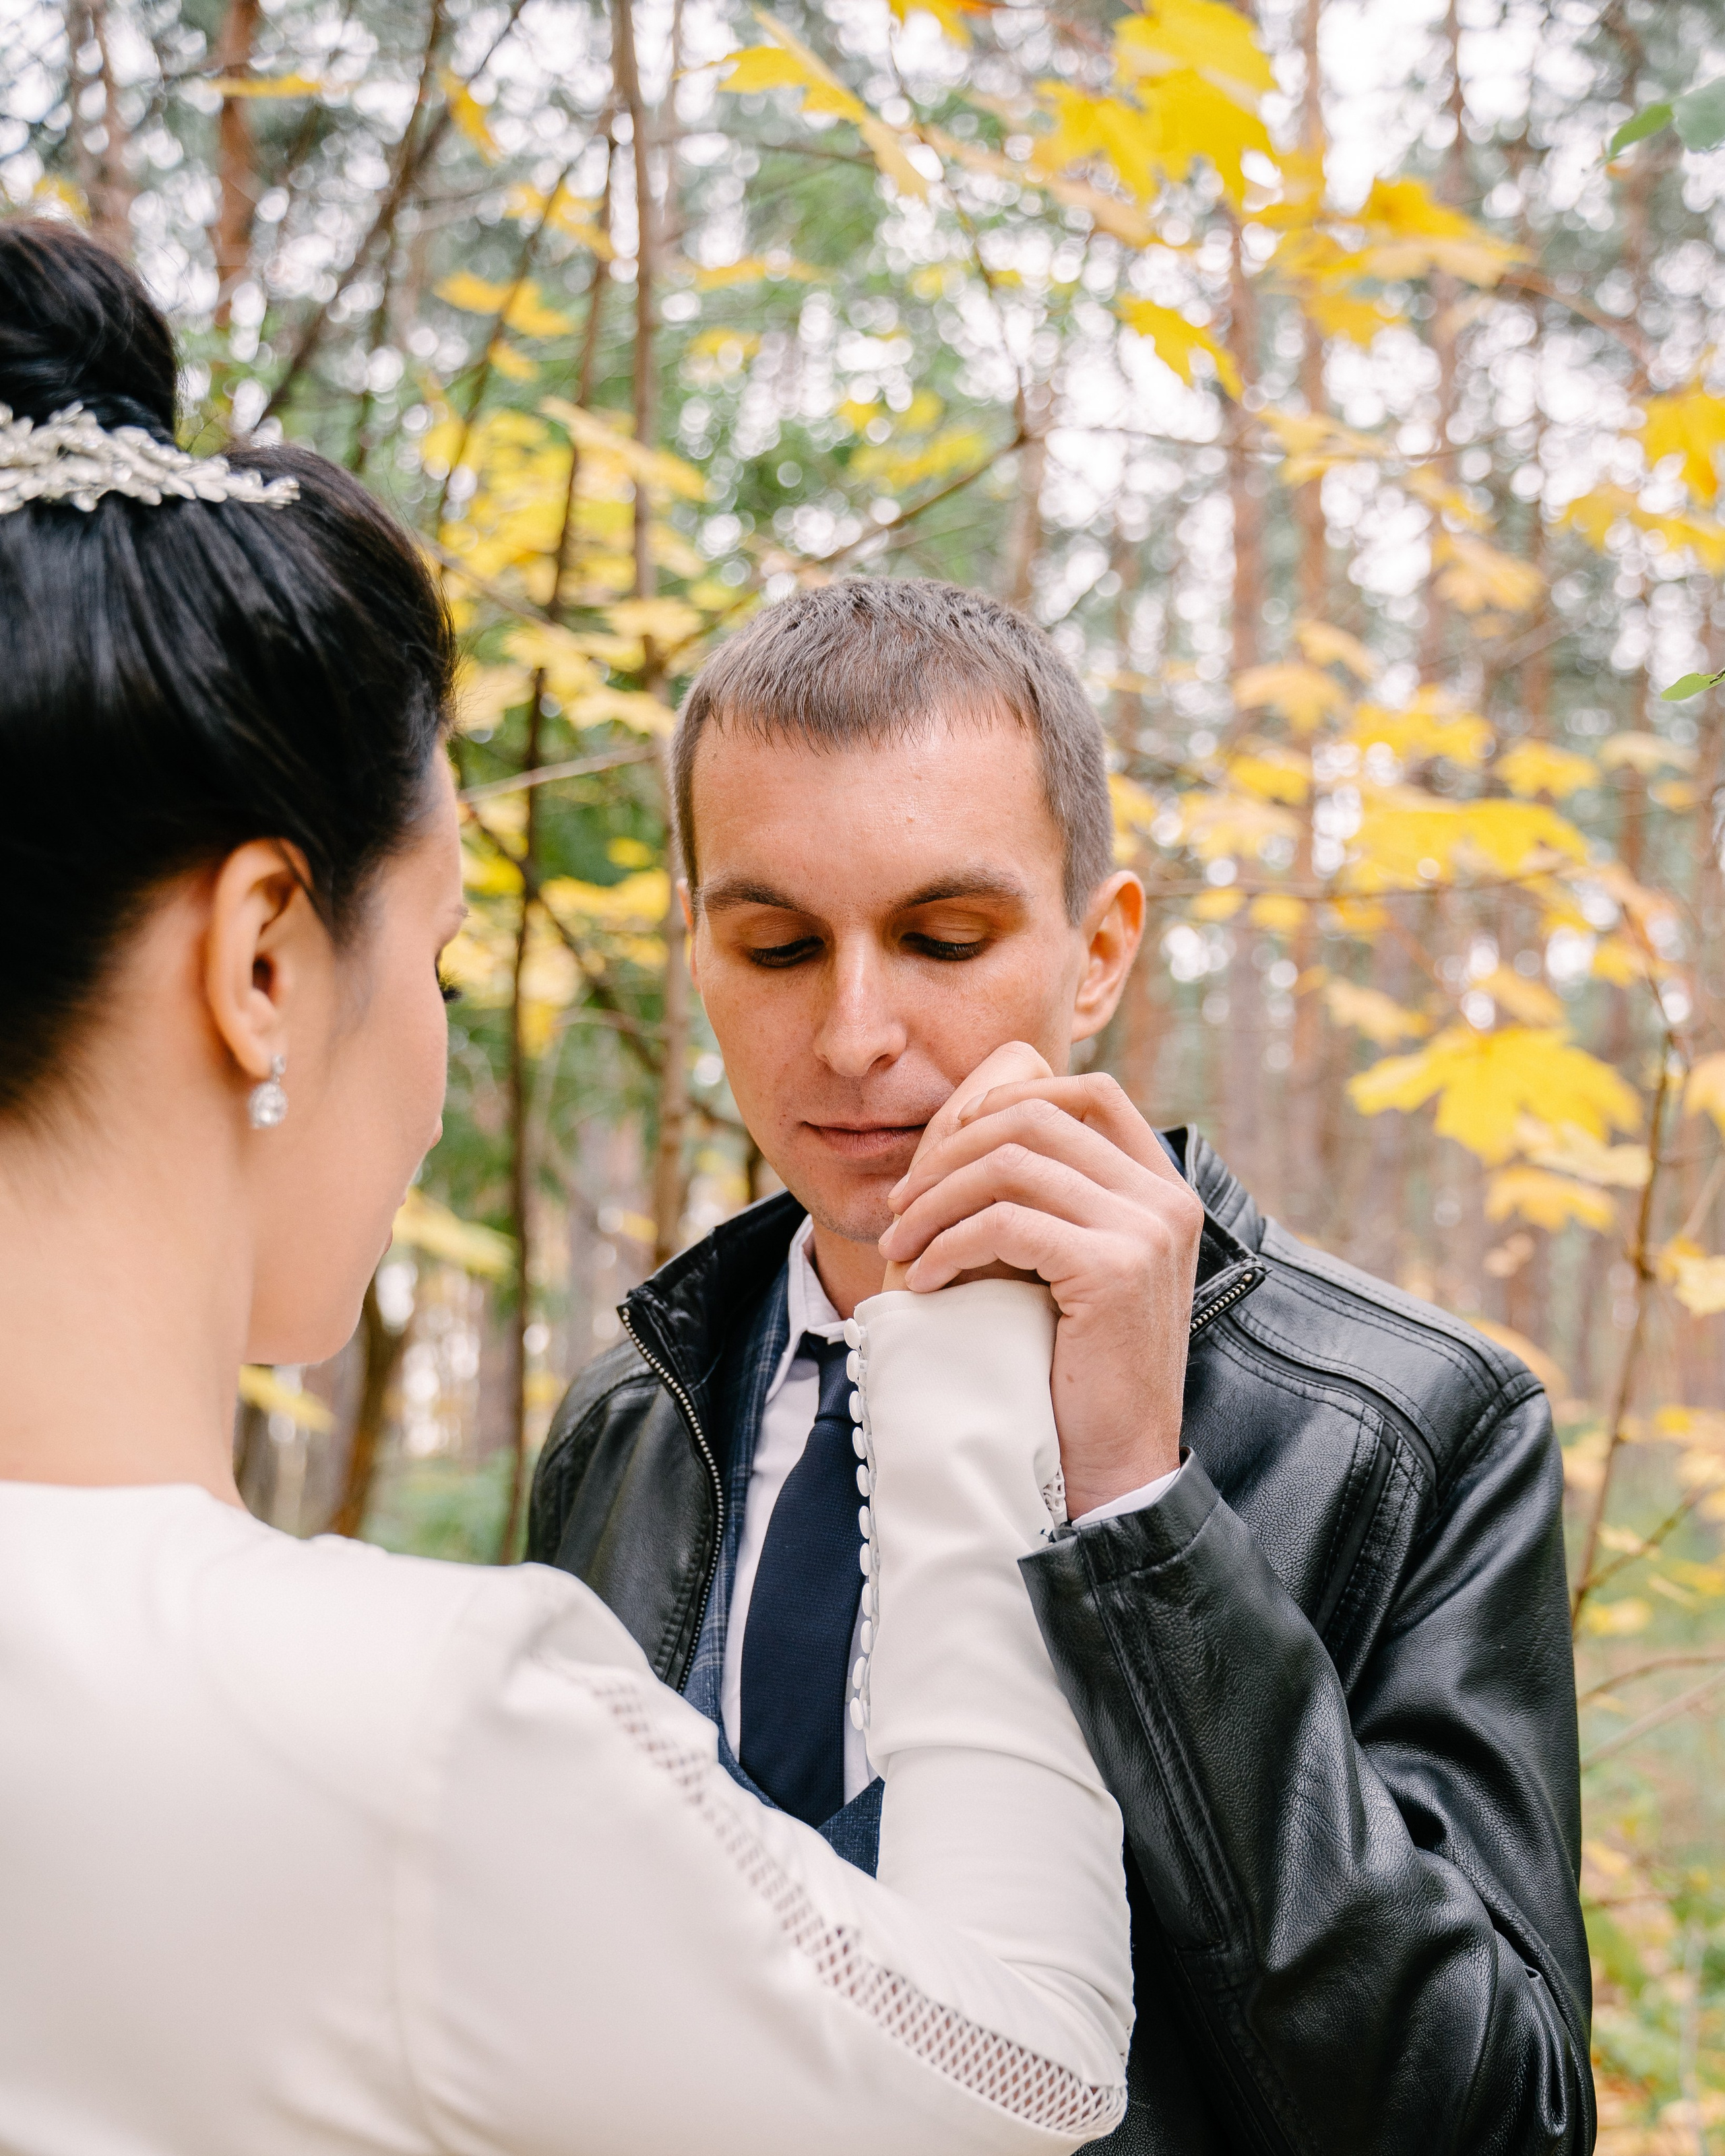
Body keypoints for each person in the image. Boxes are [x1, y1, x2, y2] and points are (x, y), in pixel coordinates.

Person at [0, 218, 1145, 2155]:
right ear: (268, 960)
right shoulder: (414, 1734)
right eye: (435, 950)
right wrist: (959, 1372)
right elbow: (1020, 2071)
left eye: (942, 937)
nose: (861, 1036)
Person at [532, 577, 1597, 2153]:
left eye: (941, 936)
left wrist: (1141, 1505)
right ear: (693, 947)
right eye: (773, 946)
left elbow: (1492, 2119)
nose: (854, 1032)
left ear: (1096, 952)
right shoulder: (622, 1420)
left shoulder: (1409, 1428)